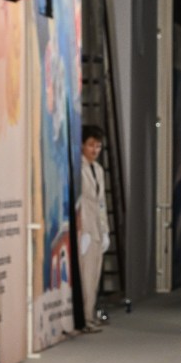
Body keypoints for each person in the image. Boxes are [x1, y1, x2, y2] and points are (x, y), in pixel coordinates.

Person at [79, 124, 111, 331]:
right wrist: (82, 231)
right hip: (85, 230)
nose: (95, 150)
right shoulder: (78, 168)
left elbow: (101, 203)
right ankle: (84, 318)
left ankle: (90, 315)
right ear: (82, 145)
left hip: (97, 230)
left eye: (98, 146)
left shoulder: (98, 170)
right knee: (85, 276)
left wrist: (105, 230)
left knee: (94, 277)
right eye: (91, 145)